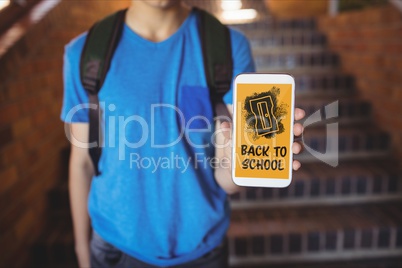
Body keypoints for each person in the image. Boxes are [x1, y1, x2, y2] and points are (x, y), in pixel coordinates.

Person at [61, 0, 305, 267]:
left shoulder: (226, 47)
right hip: (114, 249)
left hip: (203, 251)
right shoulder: (85, 53)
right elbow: (82, 162)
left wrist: (250, 162)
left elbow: (226, 176)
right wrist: (81, 249)